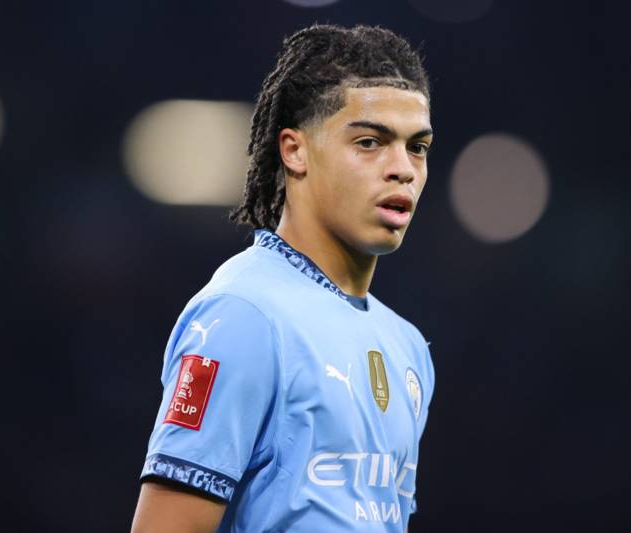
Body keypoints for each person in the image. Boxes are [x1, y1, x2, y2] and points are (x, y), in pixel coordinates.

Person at [131, 23, 435, 532]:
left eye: (417, 147)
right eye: (369, 142)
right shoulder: (243, 316)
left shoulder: (407, 346)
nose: (402, 168)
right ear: (294, 151)